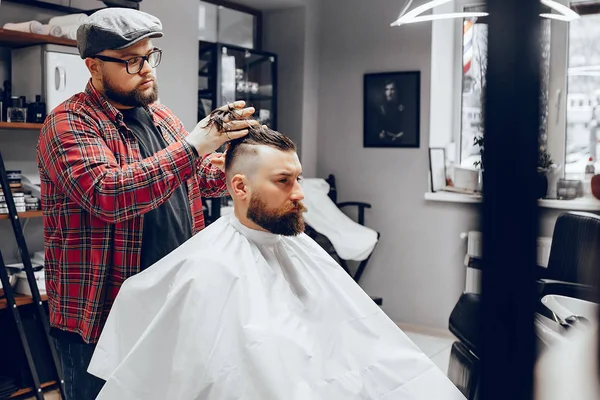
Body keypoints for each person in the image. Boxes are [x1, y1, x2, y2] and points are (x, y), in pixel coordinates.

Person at [86, 118, 466, 400]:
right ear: (239, 186)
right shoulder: (209, 269)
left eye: (298, 178)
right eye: (284, 181)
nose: (300, 194)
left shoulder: (298, 248)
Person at [36, 8, 258, 399]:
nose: (146, 69)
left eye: (149, 56)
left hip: (171, 305)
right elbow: (109, 194)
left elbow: (196, 175)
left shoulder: (160, 116)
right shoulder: (68, 122)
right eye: (131, 61)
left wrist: (247, 166)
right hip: (102, 318)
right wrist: (195, 144)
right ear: (94, 66)